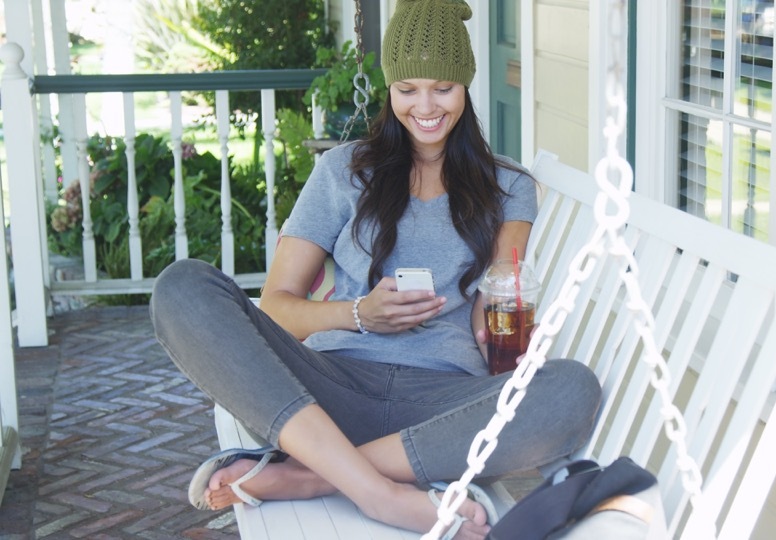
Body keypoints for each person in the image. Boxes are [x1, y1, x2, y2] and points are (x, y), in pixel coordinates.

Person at [149, 1, 601, 538]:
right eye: (407, 89)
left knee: (572, 388)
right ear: (389, 89)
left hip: (442, 410)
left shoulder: (510, 186)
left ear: (466, 85)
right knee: (182, 287)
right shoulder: (342, 172)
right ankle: (380, 494)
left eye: (443, 88)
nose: (425, 106)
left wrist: (497, 323)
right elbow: (276, 307)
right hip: (322, 397)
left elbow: (500, 295)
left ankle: (310, 477)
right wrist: (359, 314)